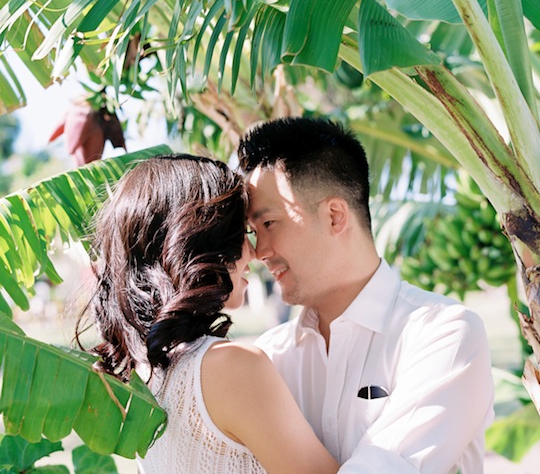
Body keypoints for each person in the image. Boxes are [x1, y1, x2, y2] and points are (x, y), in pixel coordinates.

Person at [238, 117, 495, 474]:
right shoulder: (269, 358)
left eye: (268, 224)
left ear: (334, 216)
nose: (259, 251)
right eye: (252, 231)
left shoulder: (443, 334)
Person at [78, 154, 339, 474]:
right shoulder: (231, 366)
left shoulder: (145, 370)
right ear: (202, 240)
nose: (255, 252)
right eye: (243, 231)